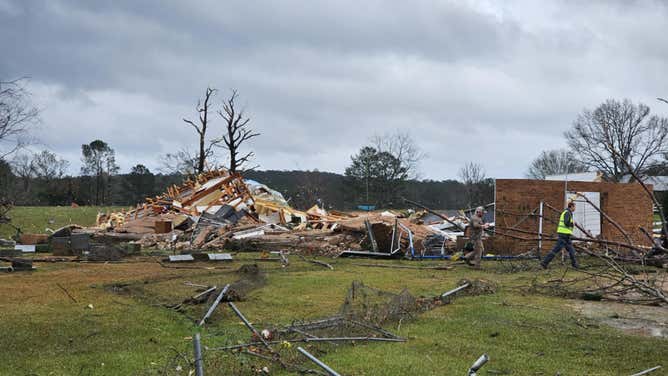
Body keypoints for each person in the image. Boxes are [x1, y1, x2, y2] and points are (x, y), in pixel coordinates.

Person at [541, 201, 579, 269]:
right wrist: (572, 224)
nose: (575, 208)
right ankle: (544, 263)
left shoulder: (568, 213)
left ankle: (575, 265)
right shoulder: (567, 213)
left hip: (566, 236)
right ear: (571, 207)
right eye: (574, 207)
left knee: (571, 250)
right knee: (555, 250)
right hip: (563, 235)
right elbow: (566, 223)